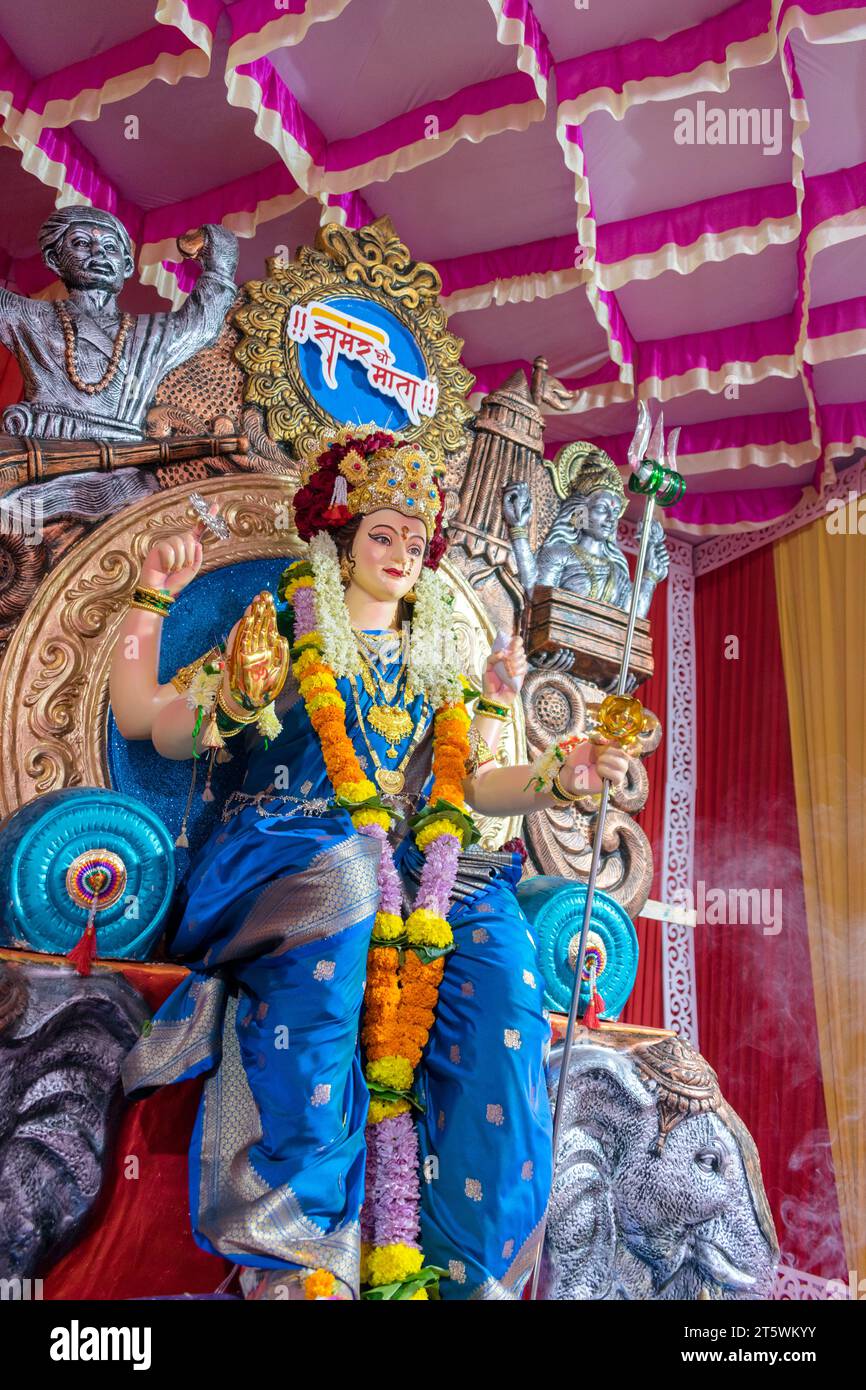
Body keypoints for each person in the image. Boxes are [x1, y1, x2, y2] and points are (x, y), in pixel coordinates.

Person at [112, 425, 628, 1300]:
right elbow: (147, 721)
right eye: (381, 533)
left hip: (413, 862)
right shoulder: (282, 622)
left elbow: (473, 786)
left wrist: (558, 776)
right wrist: (164, 615)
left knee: (500, 960)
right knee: (350, 881)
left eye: (415, 541)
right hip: (282, 850)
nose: (399, 554)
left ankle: (468, 1265)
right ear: (341, 537)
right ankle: (298, 1248)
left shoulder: (441, 659)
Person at [0, 206, 237, 440]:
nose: (98, 252)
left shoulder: (152, 333)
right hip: (43, 451)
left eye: (110, 247)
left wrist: (218, 253)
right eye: (82, 243)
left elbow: (202, 323)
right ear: (54, 259)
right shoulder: (26, 316)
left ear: (127, 265)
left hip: (128, 464)